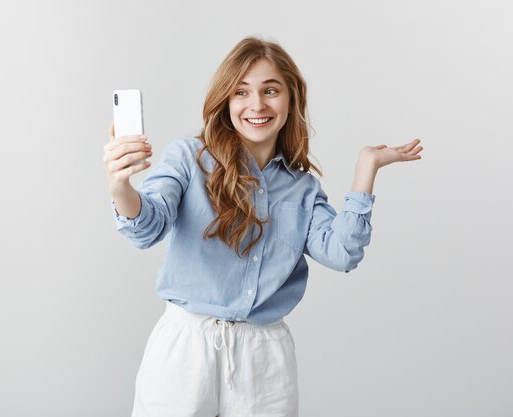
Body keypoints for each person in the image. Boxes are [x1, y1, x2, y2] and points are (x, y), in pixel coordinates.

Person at [102, 35, 423, 417]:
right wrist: (120, 185)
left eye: (270, 90)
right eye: (241, 92)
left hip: (265, 356)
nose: (257, 105)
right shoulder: (189, 158)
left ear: (291, 99)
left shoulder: (303, 187)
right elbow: (147, 226)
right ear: (227, 101)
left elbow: (342, 254)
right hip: (186, 350)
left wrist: (365, 168)